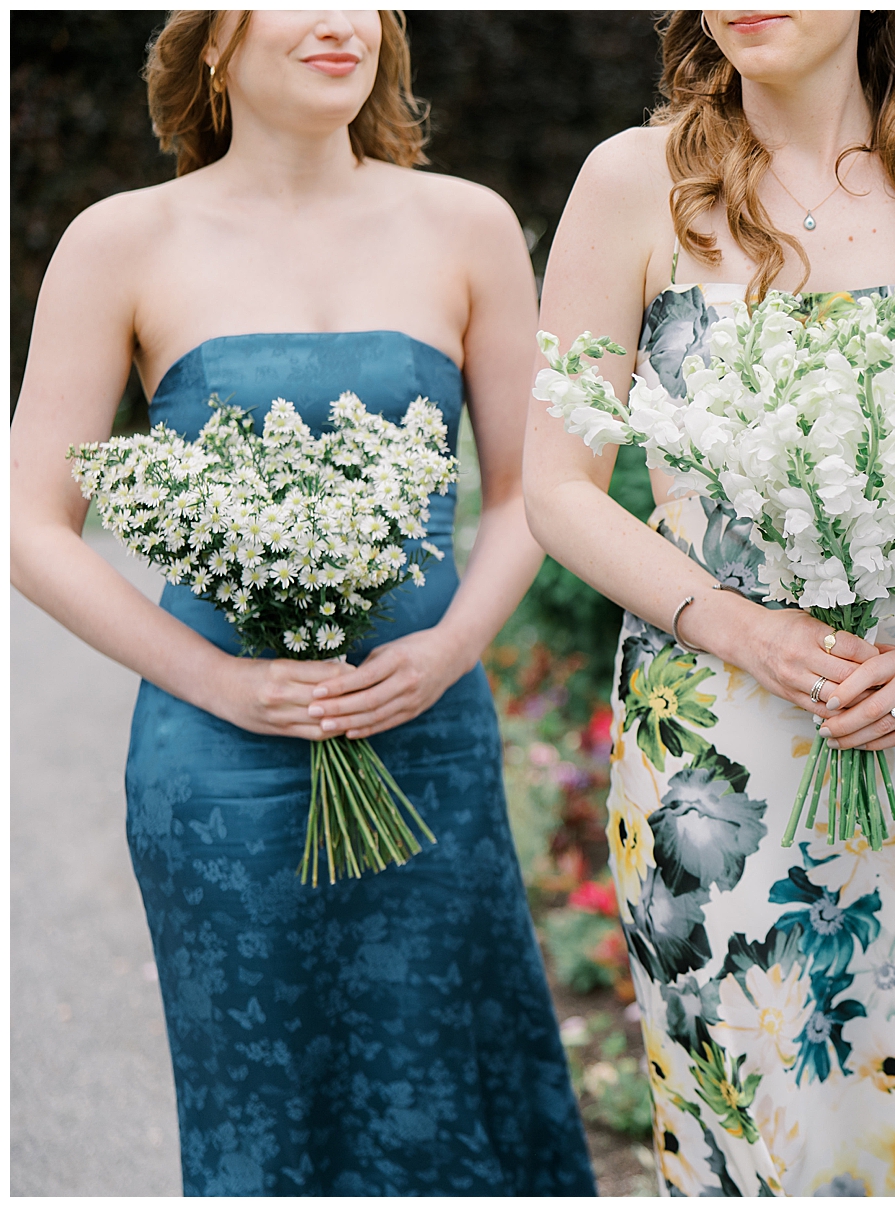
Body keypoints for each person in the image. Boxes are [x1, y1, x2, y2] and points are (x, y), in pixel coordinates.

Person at [10, 11, 593, 1195]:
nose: (339, 21)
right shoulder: (121, 240)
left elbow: (532, 485)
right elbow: (29, 524)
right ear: (212, 41)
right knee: (260, 1098)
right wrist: (220, 678)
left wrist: (451, 648)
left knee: (451, 1079)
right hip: (218, 762)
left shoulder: (467, 224)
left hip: (426, 733)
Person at [524, 10, 895, 1196]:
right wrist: (740, 628)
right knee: (746, 1118)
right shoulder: (635, 181)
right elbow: (557, 488)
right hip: (714, 747)